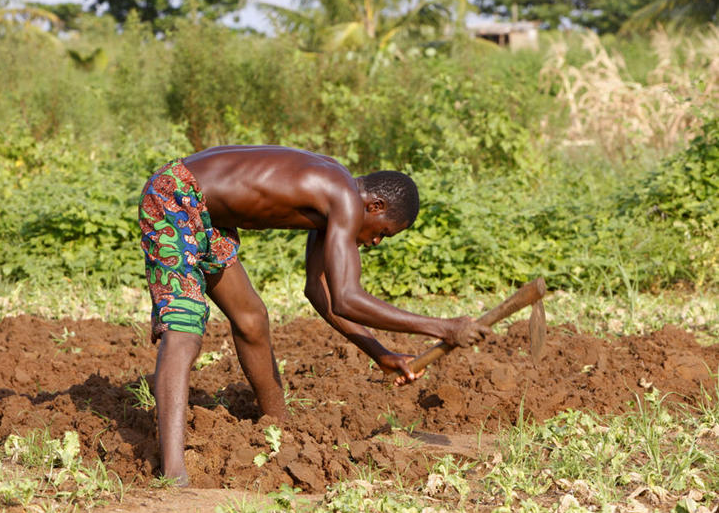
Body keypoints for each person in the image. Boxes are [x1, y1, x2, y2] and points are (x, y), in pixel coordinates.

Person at [138, 145, 490, 485]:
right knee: (183, 331)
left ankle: (277, 427)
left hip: (208, 217)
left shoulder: (335, 193)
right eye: (383, 232)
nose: (376, 243)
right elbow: (349, 298)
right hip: (177, 197)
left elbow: (320, 292)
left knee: (252, 318)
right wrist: (442, 327)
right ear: (376, 204)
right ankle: (173, 473)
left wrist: (381, 355)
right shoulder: (345, 199)